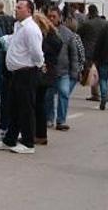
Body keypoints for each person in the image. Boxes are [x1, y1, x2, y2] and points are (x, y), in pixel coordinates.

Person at [0, 0, 43, 155]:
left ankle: (28, 143)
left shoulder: (30, 29)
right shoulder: (18, 26)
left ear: (29, 11)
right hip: (16, 72)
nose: (16, 9)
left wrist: (37, 64)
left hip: (26, 72)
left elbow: (36, 52)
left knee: (25, 108)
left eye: (19, 8)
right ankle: (9, 139)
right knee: (13, 107)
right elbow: (12, 41)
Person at [46, 7, 85, 131]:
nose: (51, 19)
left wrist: (75, 72)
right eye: (49, 16)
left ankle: (61, 120)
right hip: (49, 70)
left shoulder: (67, 33)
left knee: (64, 93)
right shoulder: (44, 31)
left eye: (54, 16)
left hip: (63, 71)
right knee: (48, 96)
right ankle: (49, 118)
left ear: (60, 17)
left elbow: (74, 54)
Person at [32, 12, 62, 145]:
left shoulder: (43, 38)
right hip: (49, 73)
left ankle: (38, 133)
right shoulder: (54, 36)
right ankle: (40, 133)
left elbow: (39, 54)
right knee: (40, 103)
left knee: (36, 104)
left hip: (41, 72)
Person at [0, 1, 15, 137]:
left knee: (1, 88)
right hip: (10, 57)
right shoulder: (12, 20)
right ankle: (7, 127)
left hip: (0, 54)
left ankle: (3, 127)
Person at [78, 5, 107, 102]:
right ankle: (104, 93)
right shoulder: (105, 23)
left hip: (90, 51)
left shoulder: (87, 24)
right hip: (103, 51)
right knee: (102, 73)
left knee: (93, 72)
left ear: (89, 12)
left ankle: (96, 94)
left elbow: (78, 34)